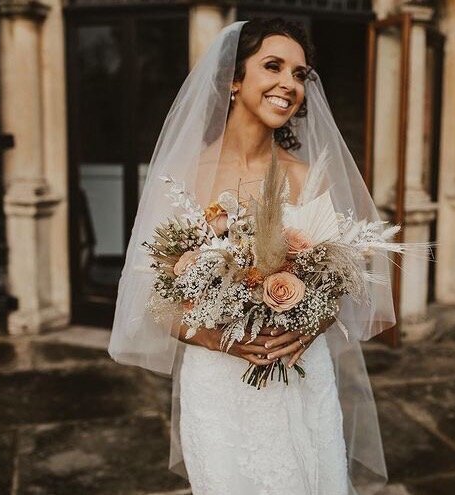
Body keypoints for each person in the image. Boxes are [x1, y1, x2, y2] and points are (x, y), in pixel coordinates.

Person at [108, 18, 396, 495]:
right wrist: (220, 339)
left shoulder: (308, 176)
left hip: (301, 373)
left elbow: (342, 282)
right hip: (220, 384)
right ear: (234, 80)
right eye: (273, 66)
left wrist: (310, 323)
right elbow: (152, 298)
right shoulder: (185, 176)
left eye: (300, 74)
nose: (290, 84)